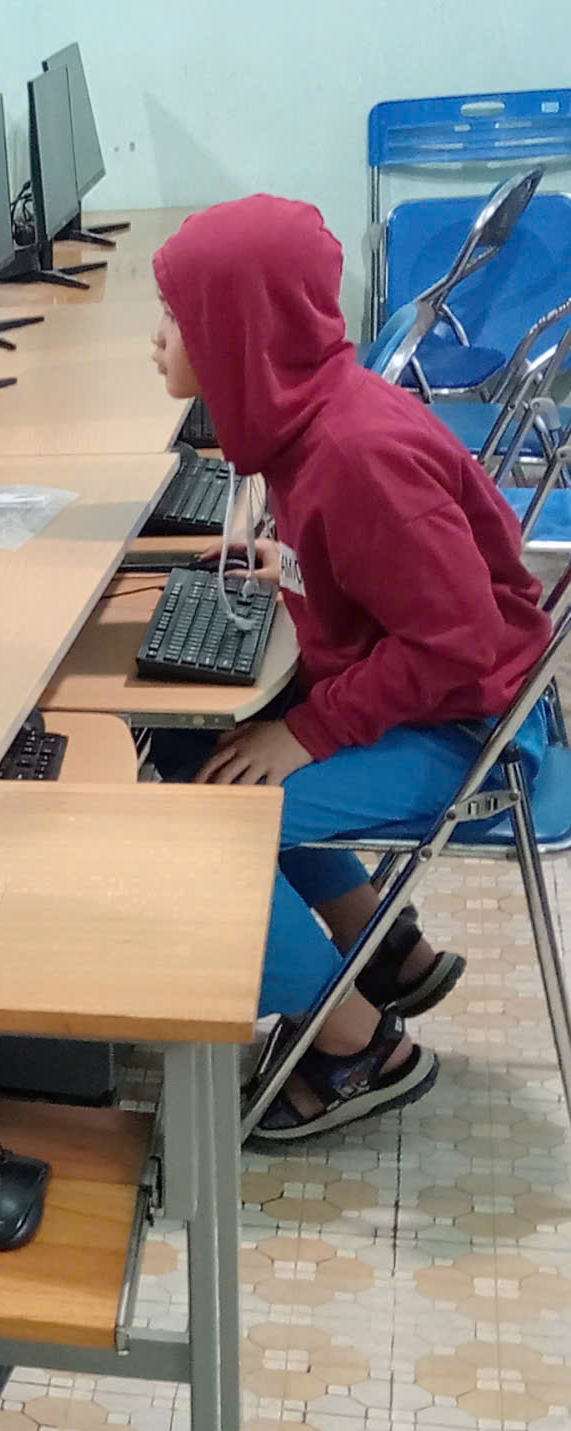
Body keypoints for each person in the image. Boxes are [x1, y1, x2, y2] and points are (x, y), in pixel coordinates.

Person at [149, 195, 561, 1139]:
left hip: (466, 729)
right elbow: (386, 576)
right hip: (425, 699)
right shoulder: (310, 420)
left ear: (240, 336)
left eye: (175, 317)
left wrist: (309, 731)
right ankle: (380, 944)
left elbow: (455, 637)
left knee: (205, 833)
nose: (158, 339)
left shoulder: (355, 454)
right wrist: (292, 563)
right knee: (188, 746)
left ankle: (357, 1045)